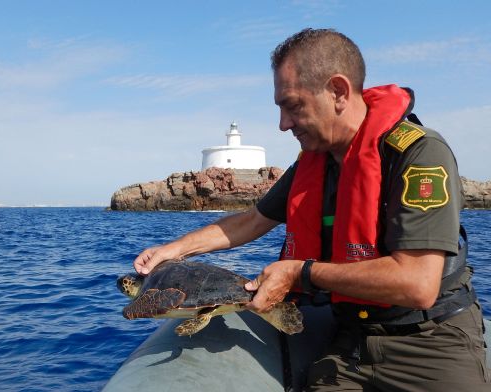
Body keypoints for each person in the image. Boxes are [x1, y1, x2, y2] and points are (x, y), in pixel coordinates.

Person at [133, 28, 489, 391]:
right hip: (352, 343)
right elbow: (251, 221)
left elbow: (418, 284)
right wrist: (173, 250)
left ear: (338, 92)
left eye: (293, 105)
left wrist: (301, 274)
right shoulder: (314, 163)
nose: (282, 124)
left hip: (432, 342)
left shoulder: (417, 152)